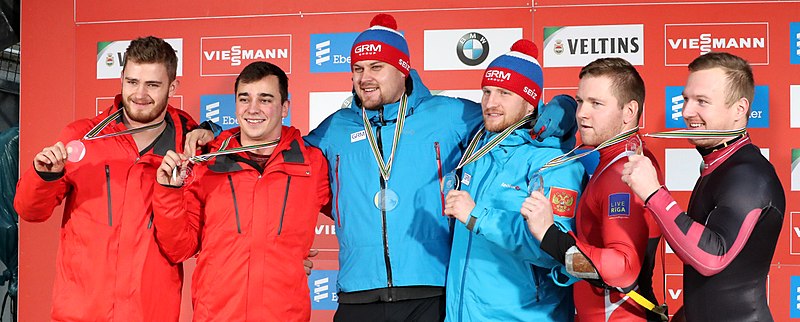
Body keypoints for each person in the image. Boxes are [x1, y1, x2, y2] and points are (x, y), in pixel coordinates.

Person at [13, 36, 195, 321]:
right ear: (121, 78)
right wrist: (45, 176)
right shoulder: (81, 136)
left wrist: (171, 189)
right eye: (132, 82)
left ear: (173, 87)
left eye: (153, 85)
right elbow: (29, 211)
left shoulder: (188, 152)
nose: (140, 94)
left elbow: (182, 248)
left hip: (149, 315)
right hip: (80, 314)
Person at [152, 61, 330, 321]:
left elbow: (355, 214)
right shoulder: (208, 162)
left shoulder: (311, 164)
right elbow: (179, 249)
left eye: (265, 99)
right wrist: (169, 192)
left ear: (284, 108)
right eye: (244, 99)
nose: (253, 109)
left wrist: (289, 260)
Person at [621, 52, 784, 321]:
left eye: (702, 102)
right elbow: (718, 288)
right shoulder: (720, 166)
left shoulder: (749, 175)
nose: (686, 112)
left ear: (740, 109)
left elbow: (711, 258)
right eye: (686, 99)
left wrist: (653, 192)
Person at [443, 40, 586, 321]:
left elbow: (557, 251)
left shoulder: (554, 162)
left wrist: (477, 217)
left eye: (505, 93)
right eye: (487, 92)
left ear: (530, 101)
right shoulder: (478, 148)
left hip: (522, 316)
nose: (490, 103)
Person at [522, 57, 665, 321]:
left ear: (629, 111)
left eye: (596, 104)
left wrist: (548, 234)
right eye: (580, 102)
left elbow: (623, 269)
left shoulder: (621, 172)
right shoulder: (623, 159)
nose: (582, 113)